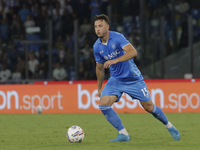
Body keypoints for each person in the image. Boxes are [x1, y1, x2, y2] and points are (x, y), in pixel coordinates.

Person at [93, 14, 180, 142]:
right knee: (103, 104)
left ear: (107, 26)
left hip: (133, 79)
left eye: (100, 26)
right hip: (116, 80)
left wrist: (115, 60)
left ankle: (169, 126)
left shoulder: (117, 37)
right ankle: (123, 134)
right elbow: (99, 68)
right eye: (95, 27)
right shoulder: (97, 47)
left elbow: (133, 52)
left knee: (149, 107)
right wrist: (99, 87)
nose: (97, 29)